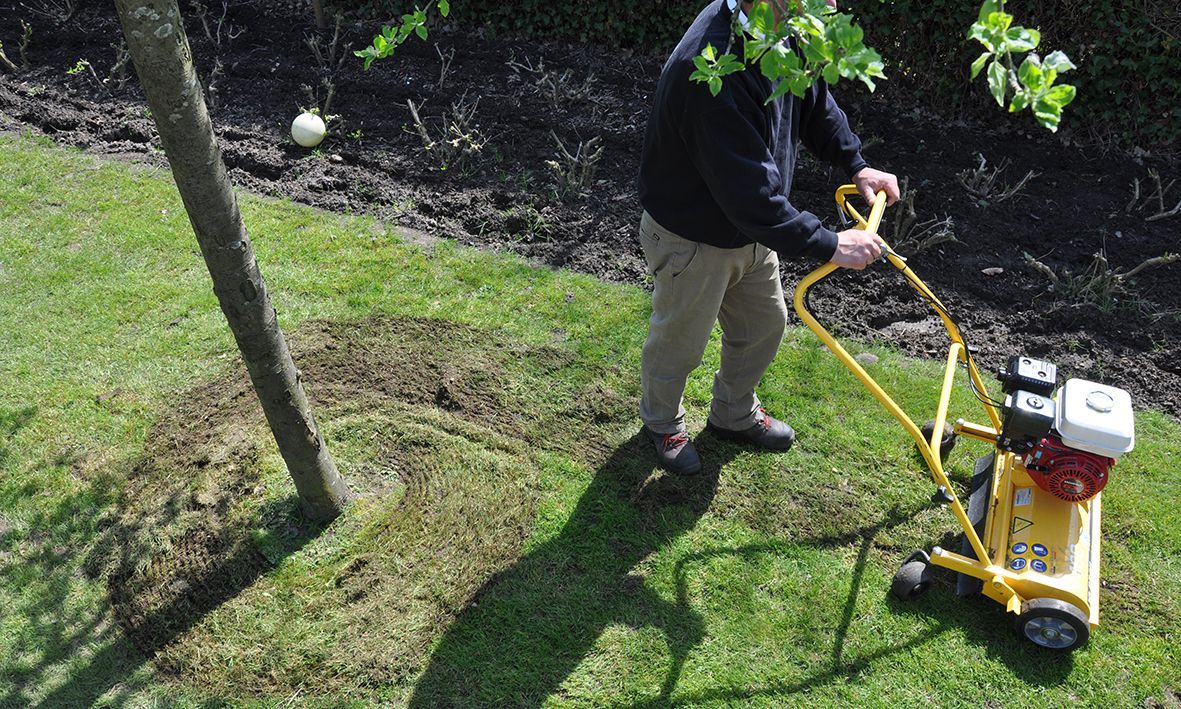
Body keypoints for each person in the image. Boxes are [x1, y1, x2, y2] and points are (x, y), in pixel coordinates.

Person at [636, 0, 900, 476]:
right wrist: (831, 244)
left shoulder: (781, 30)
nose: (832, 5)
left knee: (764, 325)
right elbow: (750, 196)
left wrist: (856, 162)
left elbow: (812, 96)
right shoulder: (710, 71)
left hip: (750, 230)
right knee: (680, 342)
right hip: (693, 237)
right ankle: (661, 423)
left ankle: (733, 415)